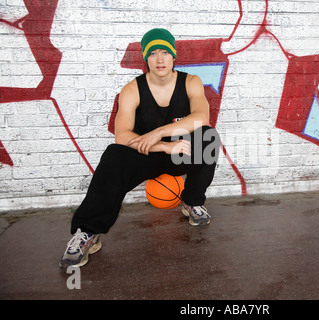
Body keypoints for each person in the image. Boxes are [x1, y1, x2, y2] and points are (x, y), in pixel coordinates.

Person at [60, 28, 220, 268]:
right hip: (149, 154)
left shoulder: (191, 82)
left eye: (165, 52)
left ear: (173, 56)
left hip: (180, 151)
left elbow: (202, 118)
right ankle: (88, 233)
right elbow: (122, 136)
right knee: (114, 156)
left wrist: (159, 132)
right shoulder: (132, 90)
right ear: (146, 58)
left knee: (208, 138)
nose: (159, 59)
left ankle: (192, 201)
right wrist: (161, 146)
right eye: (153, 53)